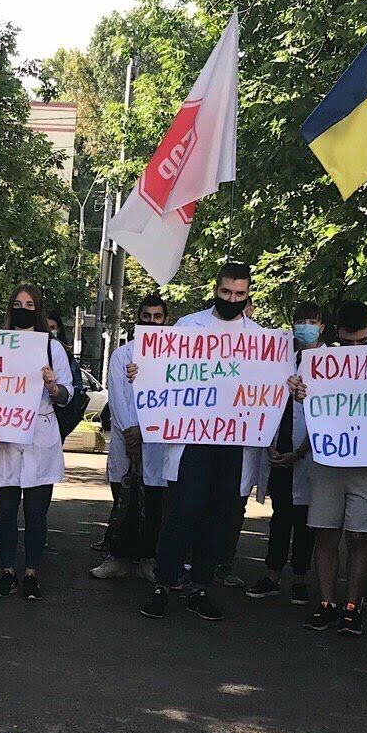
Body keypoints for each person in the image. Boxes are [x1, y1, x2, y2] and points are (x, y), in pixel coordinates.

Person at [139, 263, 269, 622]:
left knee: (217, 516)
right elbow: (163, 372)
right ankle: (163, 585)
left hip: (232, 440)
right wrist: (143, 371)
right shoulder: (189, 327)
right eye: (226, 292)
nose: (232, 299)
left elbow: (266, 387)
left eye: (240, 294)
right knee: (182, 511)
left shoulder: (259, 338)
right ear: (216, 289)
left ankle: (200, 587)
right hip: (192, 438)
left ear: (248, 295)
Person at [289, 300, 367, 637]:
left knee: (363, 537)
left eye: (361, 342)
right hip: (329, 461)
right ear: (337, 336)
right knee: (325, 532)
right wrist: (301, 393)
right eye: (347, 343)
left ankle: (352, 607)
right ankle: (327, 603)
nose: (354, 350)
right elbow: (303, 399)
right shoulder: (319, 364)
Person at [0, 283, 72, 601]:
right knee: (6, 511)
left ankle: (32, 573)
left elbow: (67, 395)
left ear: (38, 308)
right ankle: (7, 571)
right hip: (6, 438)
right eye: (18, 304)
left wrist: (52, 386)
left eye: (30, 304)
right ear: (11, 308)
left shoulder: (53, 348)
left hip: (40, 436)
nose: (23, 309)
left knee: (36, 514)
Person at [246, 301, 322, 603]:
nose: (306, 325)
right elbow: (262, 399)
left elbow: (331, 414)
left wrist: (301, 451)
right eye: (300, 320)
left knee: (306, 519)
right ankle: (273, 574)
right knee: (280, 516)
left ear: (322, 326)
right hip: (278, 448)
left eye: (312, 321)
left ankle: (301, 577)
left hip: (309, 452)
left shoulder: (331, 363)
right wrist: (269, 442)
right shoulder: (280, 359)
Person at [92, 295, 169, 581]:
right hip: (127, 439)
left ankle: (148, 559)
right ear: (138, 318)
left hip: (160, 441)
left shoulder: (174, 357)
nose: (151, 321)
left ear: (166, 319)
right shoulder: (123, 355)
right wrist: (131, 433)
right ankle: (118, 558)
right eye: (146, 316)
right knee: (123, 500)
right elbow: (118, 397)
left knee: (154, 502)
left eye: (157, 316)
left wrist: (150, 432)